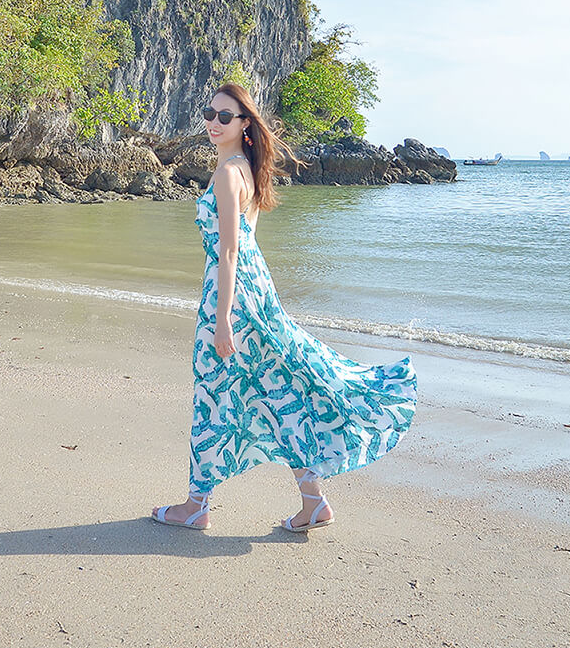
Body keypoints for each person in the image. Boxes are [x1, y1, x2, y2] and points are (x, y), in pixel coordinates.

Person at [152, 81, 417, 532]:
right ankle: (312, 500)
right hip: (256, 292)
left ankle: (196, 505)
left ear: (245, 125)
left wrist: (221, 323)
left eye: (225, 117)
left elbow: (230, 252)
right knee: (278, 393)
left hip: (232, 297)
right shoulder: (245, 170)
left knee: (215, 394)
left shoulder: (227, 174)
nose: (213, 123)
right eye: (209, 114)